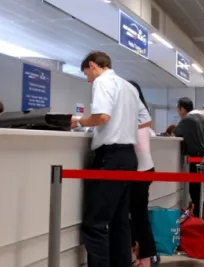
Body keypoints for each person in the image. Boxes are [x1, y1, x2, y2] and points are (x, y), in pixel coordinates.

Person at [71, 51, 150, 267]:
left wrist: (78, 121)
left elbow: (102, 116)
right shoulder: (129, 86)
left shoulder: (103, 82)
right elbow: (145, 120)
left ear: (93, 65)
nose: (88, 80)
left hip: (111, 158)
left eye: (87, 74)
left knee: (95, 224)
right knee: (119, 221)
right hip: (128, 157)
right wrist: (123, 126)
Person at [173, 97, 204, 228]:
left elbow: (175, 134)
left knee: (196, 192)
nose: (179, 113)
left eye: (178, 110)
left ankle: (198, 221)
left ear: (182, 109)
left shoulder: (186, 120)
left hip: (195, 161)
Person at [128, 81, 156, 267]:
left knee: (131, 215)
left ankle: (141, 257)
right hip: (145, 168)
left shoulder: (131, 113)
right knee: (139, 215)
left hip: (137, 169)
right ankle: (145, 257)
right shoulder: (142, 112)